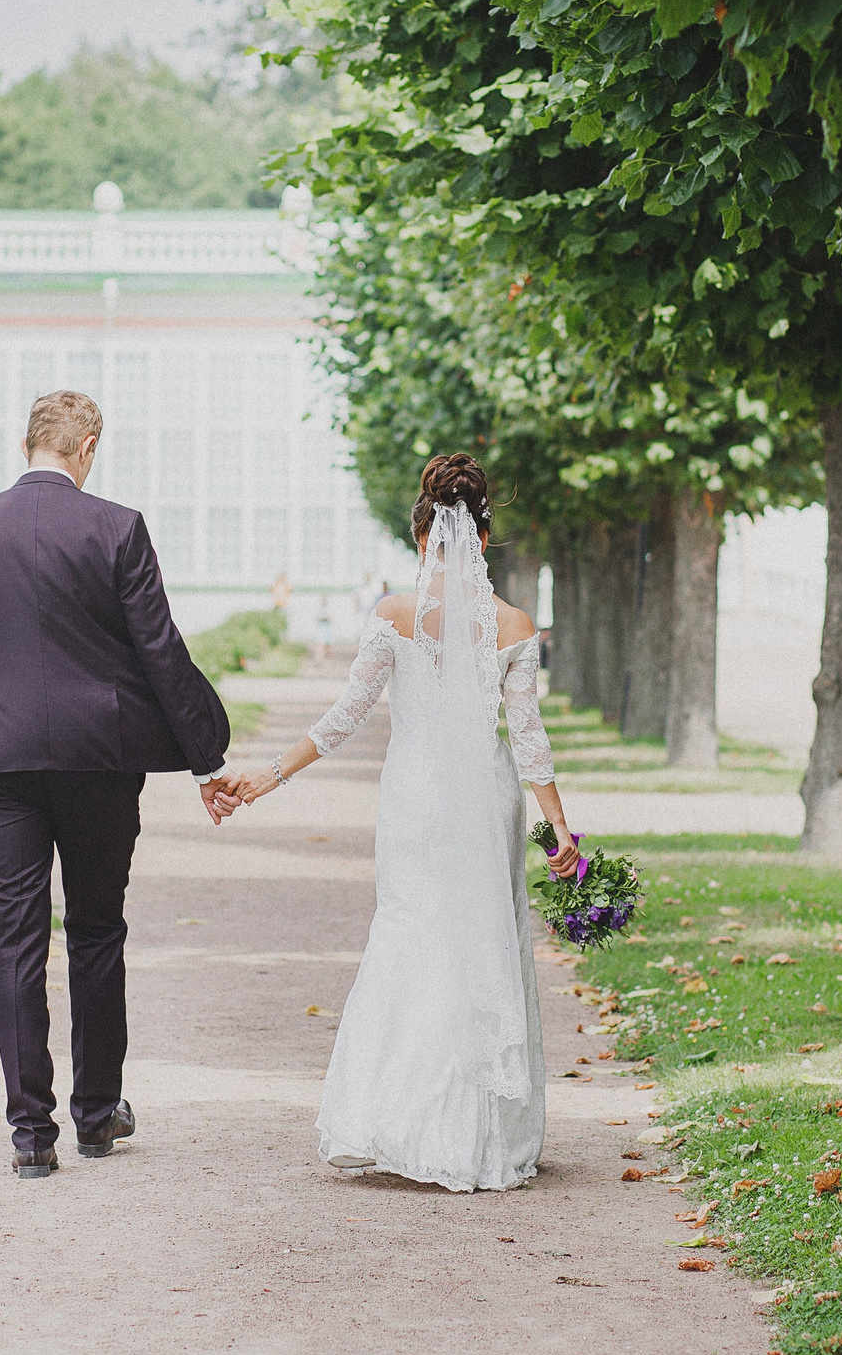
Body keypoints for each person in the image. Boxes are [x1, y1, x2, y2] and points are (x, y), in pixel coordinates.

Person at [225, 454, 581, 1193]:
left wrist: (271, 773)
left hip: (415, 801)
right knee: (484, 940)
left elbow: (343, 718)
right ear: (482, 538)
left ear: (425, 537)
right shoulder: (514, 625)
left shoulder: (393, 614)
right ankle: (480, 1134)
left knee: (411, 936)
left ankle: (394, 1118)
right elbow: (529, 740)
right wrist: (560, 833)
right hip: (487, 801)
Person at [0, 390, 239, 1179]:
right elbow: (159, 647)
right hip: (100, 760)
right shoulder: (117, 527)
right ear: (86, 445)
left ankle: (32, 1134)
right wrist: (208, 753)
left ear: (28, 442)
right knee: (97, 930)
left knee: (15, 941)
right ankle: (96, 1114)